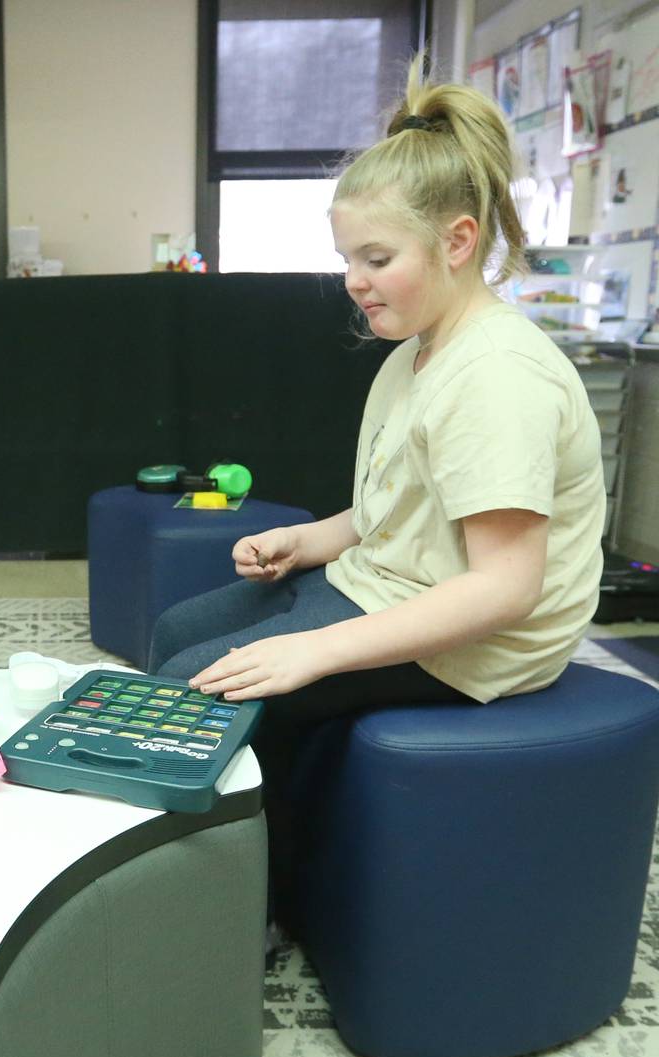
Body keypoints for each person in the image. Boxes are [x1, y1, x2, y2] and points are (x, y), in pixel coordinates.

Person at [152, 58, 604, 739]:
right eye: (347, 261)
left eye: (377, 259)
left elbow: (506, 589)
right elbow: (399, 512)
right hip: (384, 587)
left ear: (457, 241)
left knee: (190, 693)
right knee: (175, 632)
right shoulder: (413, 355)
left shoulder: (499, 375)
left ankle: (280, 840)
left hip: (476, 644)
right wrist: (306, 541)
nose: (354, 282)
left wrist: (315, 650)